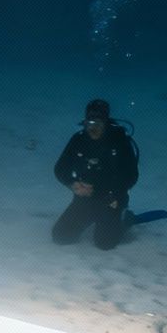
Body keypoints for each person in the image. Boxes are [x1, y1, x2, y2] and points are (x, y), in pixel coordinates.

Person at [52, 98, 139, 249]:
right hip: (84, 199)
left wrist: (115, 194)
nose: (93, 129)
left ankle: (125, 220)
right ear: (85, 123)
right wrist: (73, 184)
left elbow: (132, 175)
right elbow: (60, 168)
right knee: (61, 237)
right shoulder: (78, 140)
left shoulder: (119, 141)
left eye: (98, 124)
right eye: (89, 124)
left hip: (111, 201)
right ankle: (90, 218)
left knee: (105, 244)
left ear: (106, 123)